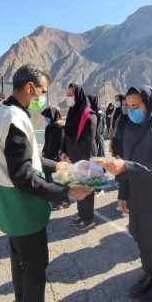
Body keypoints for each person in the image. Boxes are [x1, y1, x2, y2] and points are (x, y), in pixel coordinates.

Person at [0, 64, 92, 302]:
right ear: (29, 87)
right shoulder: (15, 119)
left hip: (6, 205)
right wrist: (67, 191)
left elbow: (26, 156)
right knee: (34, 266)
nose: (43, 97)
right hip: (22, 207)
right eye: (42, 91)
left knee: (19, 258)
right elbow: (23, 176)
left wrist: (57, 166)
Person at [100, 85, 152, 302]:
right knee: (141, 240)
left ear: (150, 105)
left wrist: (126, 166)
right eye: (128, 106)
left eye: (136, 106)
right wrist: (123, 193)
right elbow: (126, 164)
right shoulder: (132, 129)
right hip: (138, 196)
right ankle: (149, 275)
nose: (131, 111)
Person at [61, 83, 97, 231]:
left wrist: (73, 159)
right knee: (78, 188)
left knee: (86, 188)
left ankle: (88, 219)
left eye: (71, 95)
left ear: (79, 95)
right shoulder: (72, 112)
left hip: (84, 159)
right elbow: (67, 136)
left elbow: (87, 144)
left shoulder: (89, 116)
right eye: (67, 94)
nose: (68, 98)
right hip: (72, 158)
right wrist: (63, 152)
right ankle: (81, 214)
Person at [41, 106, 69, 210]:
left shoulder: (60, 127)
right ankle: (55, 199)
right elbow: (47, 141)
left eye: (47, 116)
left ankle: (61, 202)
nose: (46, 118)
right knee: (49, 179)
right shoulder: (48, 127)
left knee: (58, 180)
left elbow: (61, 142)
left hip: (56, 157)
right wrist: (44, 151)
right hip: (48, 156)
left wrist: (58, 156)